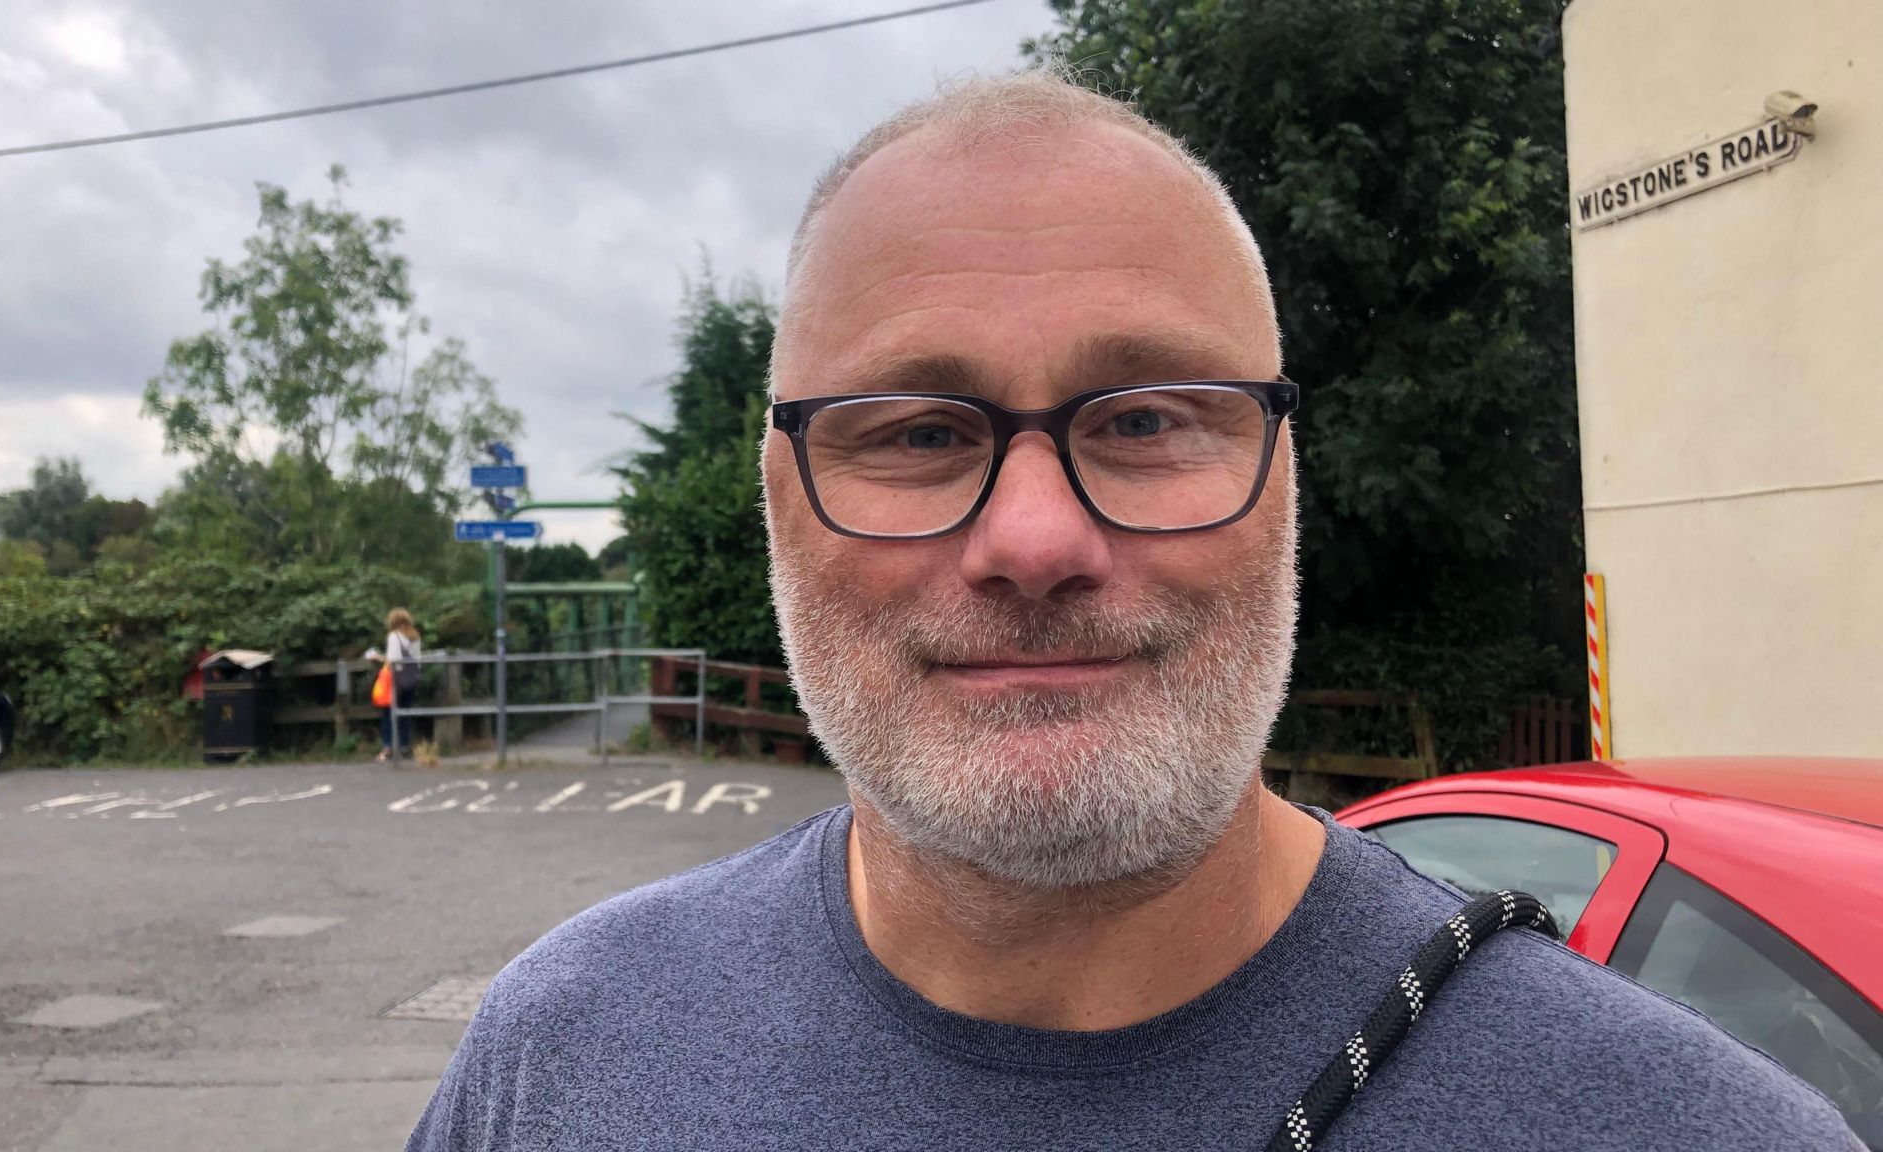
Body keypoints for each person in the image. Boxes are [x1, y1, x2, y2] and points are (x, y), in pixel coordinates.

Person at [405, 72, 1860, 1150]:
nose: (1034, 541)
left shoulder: (1694, 1132)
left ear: (1286, 480)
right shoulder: (562, 1058)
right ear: (781, 501)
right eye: (917, 432)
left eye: (1149, 420)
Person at [367, 607, 421, 763]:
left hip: (396, 680)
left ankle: (388, 748)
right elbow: (416, 659)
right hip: (411, 679)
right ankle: (404, 747)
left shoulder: (394, 636)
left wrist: (377, 657)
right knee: (406, 713)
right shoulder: (415, 636)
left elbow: (393, 659)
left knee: (388, 713)